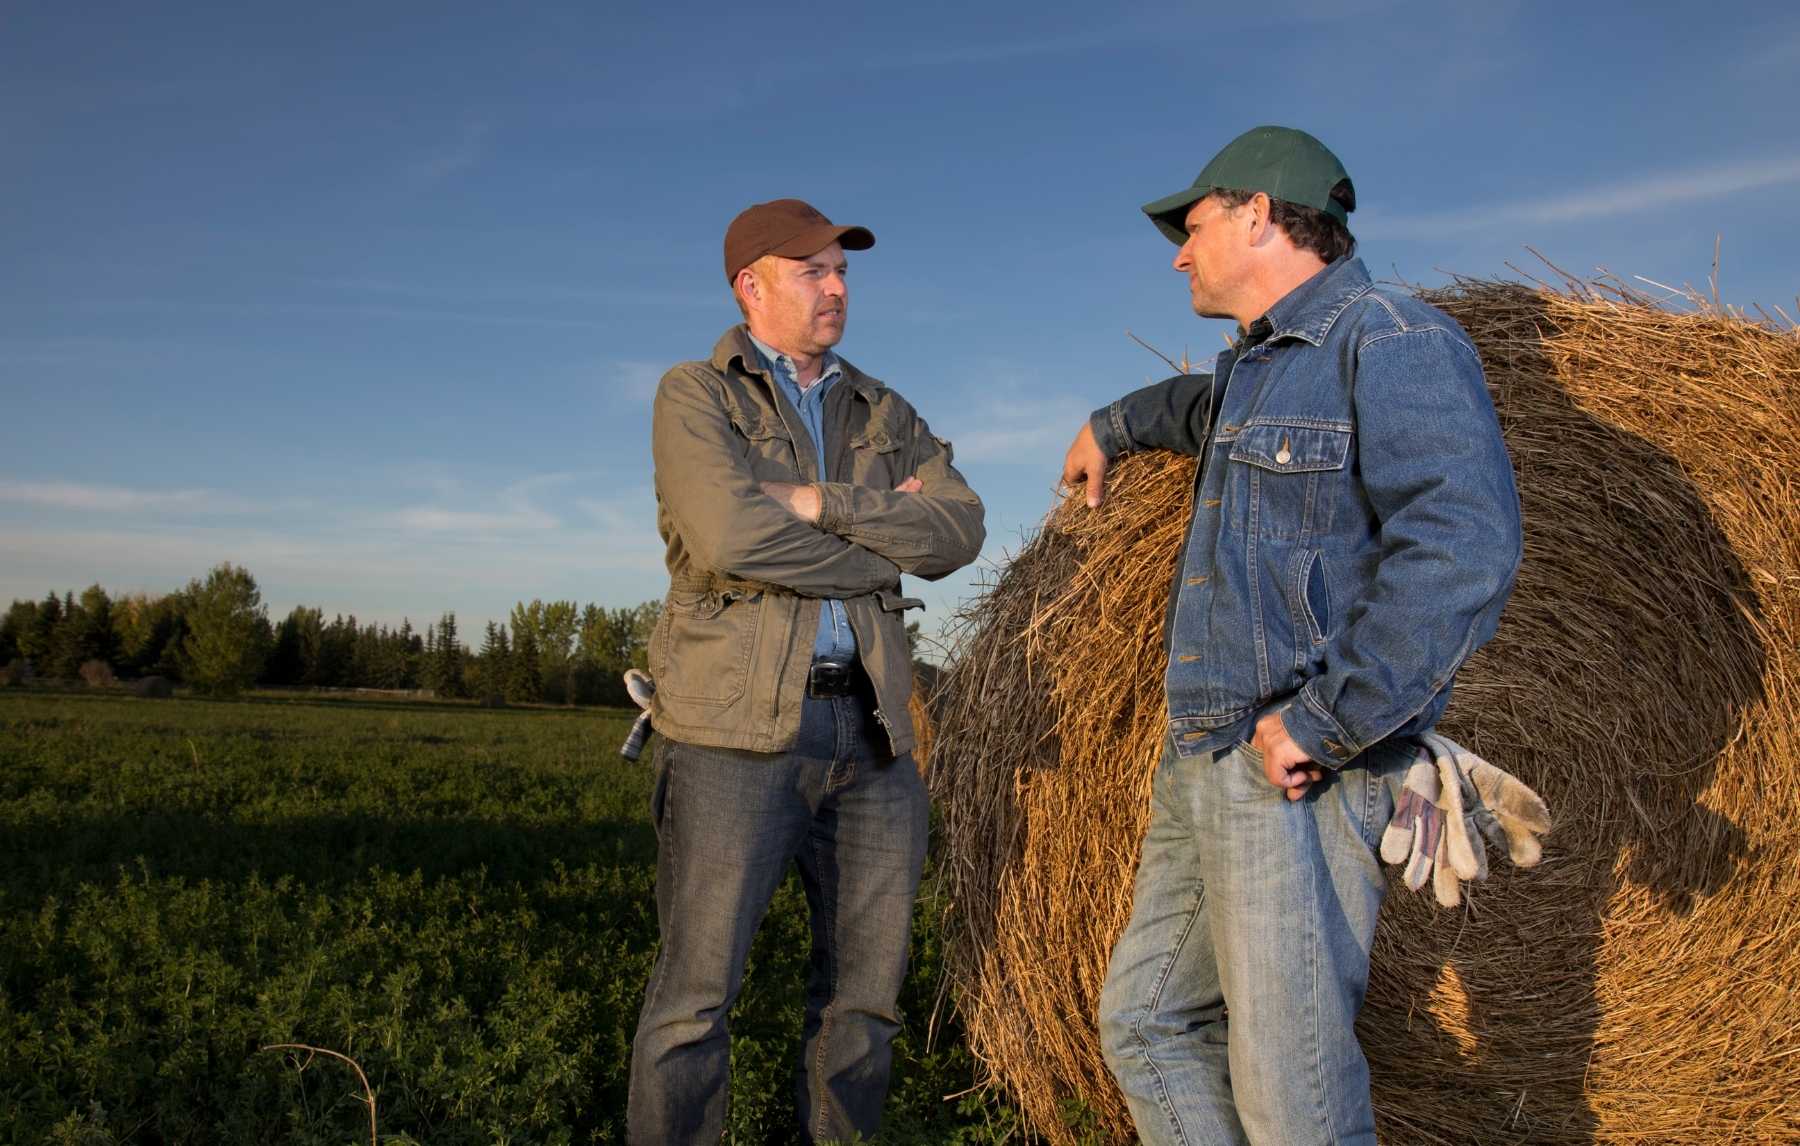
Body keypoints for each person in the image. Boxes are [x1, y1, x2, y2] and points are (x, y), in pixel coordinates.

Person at [1060, 126, 1522, 1144]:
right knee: (1143, 1021)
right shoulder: (1259, 373)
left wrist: (1325, 719)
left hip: (1294, 765)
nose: (1180, 254)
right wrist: (1113, 421)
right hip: (1208, 752)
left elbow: (1463, 542)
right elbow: (1195, 409)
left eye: (1192, 228)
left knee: (1292, 1097)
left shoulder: (1391, 338)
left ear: (1259, 214)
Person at [628, 197, 985, 1143]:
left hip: (875, 734)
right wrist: (879, 540)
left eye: (842, 273)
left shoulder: (884, 407)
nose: (837, 289)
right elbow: (731, 535)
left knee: (865, 1006)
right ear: (752, 286)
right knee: (695, 1003)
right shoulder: (695, 395)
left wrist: (810, 501)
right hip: (731, 734)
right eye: (813, 272)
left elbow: (961, 529)